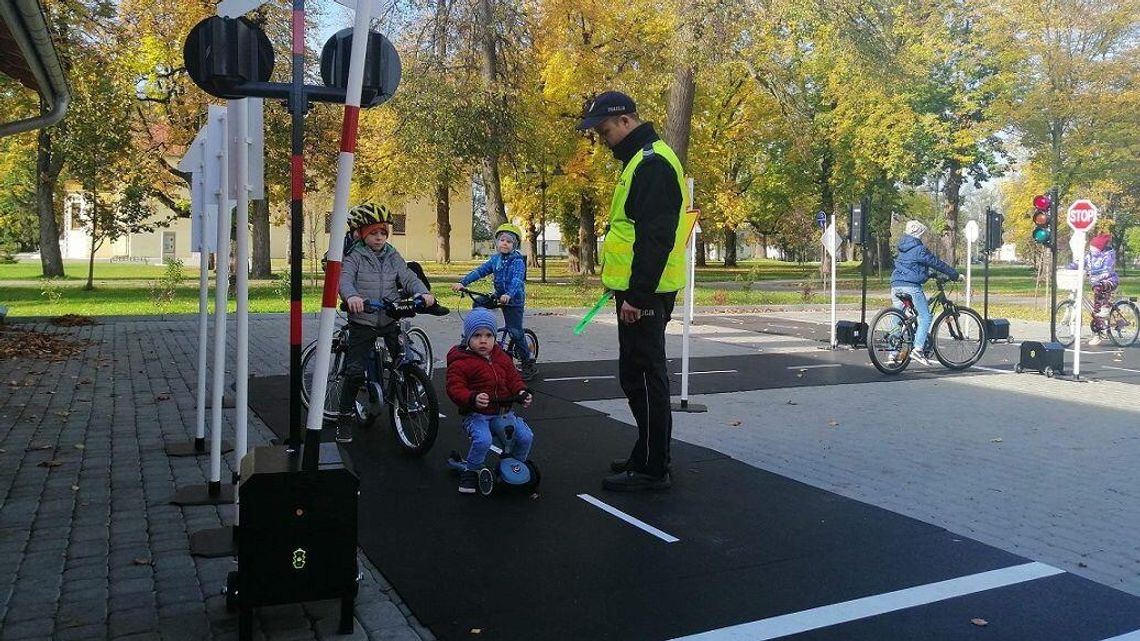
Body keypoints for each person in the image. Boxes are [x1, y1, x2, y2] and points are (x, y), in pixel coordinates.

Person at [578, 90, 689, 492]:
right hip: (640, 290)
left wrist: (637, 297)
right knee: (639, 376)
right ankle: (647, 454)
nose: (605, 140)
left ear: (626, 121)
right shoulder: (641, 161)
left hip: (645, 293)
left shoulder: (652, 164)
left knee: (644, 378)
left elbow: (654, 238)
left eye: (606, 131)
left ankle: (653, 467)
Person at [337, 202, 435, 443]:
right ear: (360, 234)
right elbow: (345, 280)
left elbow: (407, 276)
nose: (379, 238)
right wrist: (352, 297)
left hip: (389, 317)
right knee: (355, 372)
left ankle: (406, 393)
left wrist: (422, 293)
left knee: (404, 359)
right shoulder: (354, 257)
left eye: (383, 233)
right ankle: (344, 419)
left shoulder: (392, 255)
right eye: (373, 233)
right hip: (363, 320)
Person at [445, 308, 534, 494]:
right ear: (467, 337)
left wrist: (522, 392)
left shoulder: (501, 356)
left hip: (504, 412)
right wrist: (472, 398)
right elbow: (455, 388)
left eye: (488, 335)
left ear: (495, 337)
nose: (483, 340)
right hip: (478, 414)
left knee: (526, 436)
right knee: (483, 440)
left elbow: (513, 379)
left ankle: (516, 465)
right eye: (477, 335)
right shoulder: (461, 362)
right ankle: (471, 471)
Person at [450, 222, 537, 380]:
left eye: (509, 241)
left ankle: (527, 362)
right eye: (502, 240)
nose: (505, 243)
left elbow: (517, 280)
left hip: (513, 300)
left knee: (515, 332)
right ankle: (475, 332)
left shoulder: (517, 261)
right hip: (498, 295)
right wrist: (463, 283)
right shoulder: (495, 260)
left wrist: (509, 294)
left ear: (514, 245)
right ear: (497, 242)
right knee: (478, 302)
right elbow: (480, 271)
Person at [890, 220, 962, 366]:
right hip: (911, 287)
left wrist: (928, 274)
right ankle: (917, 349)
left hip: (896, 285)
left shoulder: (903, 248)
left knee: (898, 316)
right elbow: (936, 263)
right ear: (919, 234)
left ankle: (893, 351)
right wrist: (955, 275)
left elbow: (911, 266)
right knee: (925, 316)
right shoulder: (919, 249)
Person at [1070, 232, 1118, 345]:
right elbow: (1080, 262)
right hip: (1096, 281)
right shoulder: (1089, 255)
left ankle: (1106, 308)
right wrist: (1070, 267)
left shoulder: (1108, 255)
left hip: (1110, 280)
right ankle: (1097, 334)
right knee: (1095, 311)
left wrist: (1095, 274)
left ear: (1100, 248)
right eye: (1091, 246)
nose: (1091, 249)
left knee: (1099, 288)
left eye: (1094, 247)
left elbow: (1108, 270)